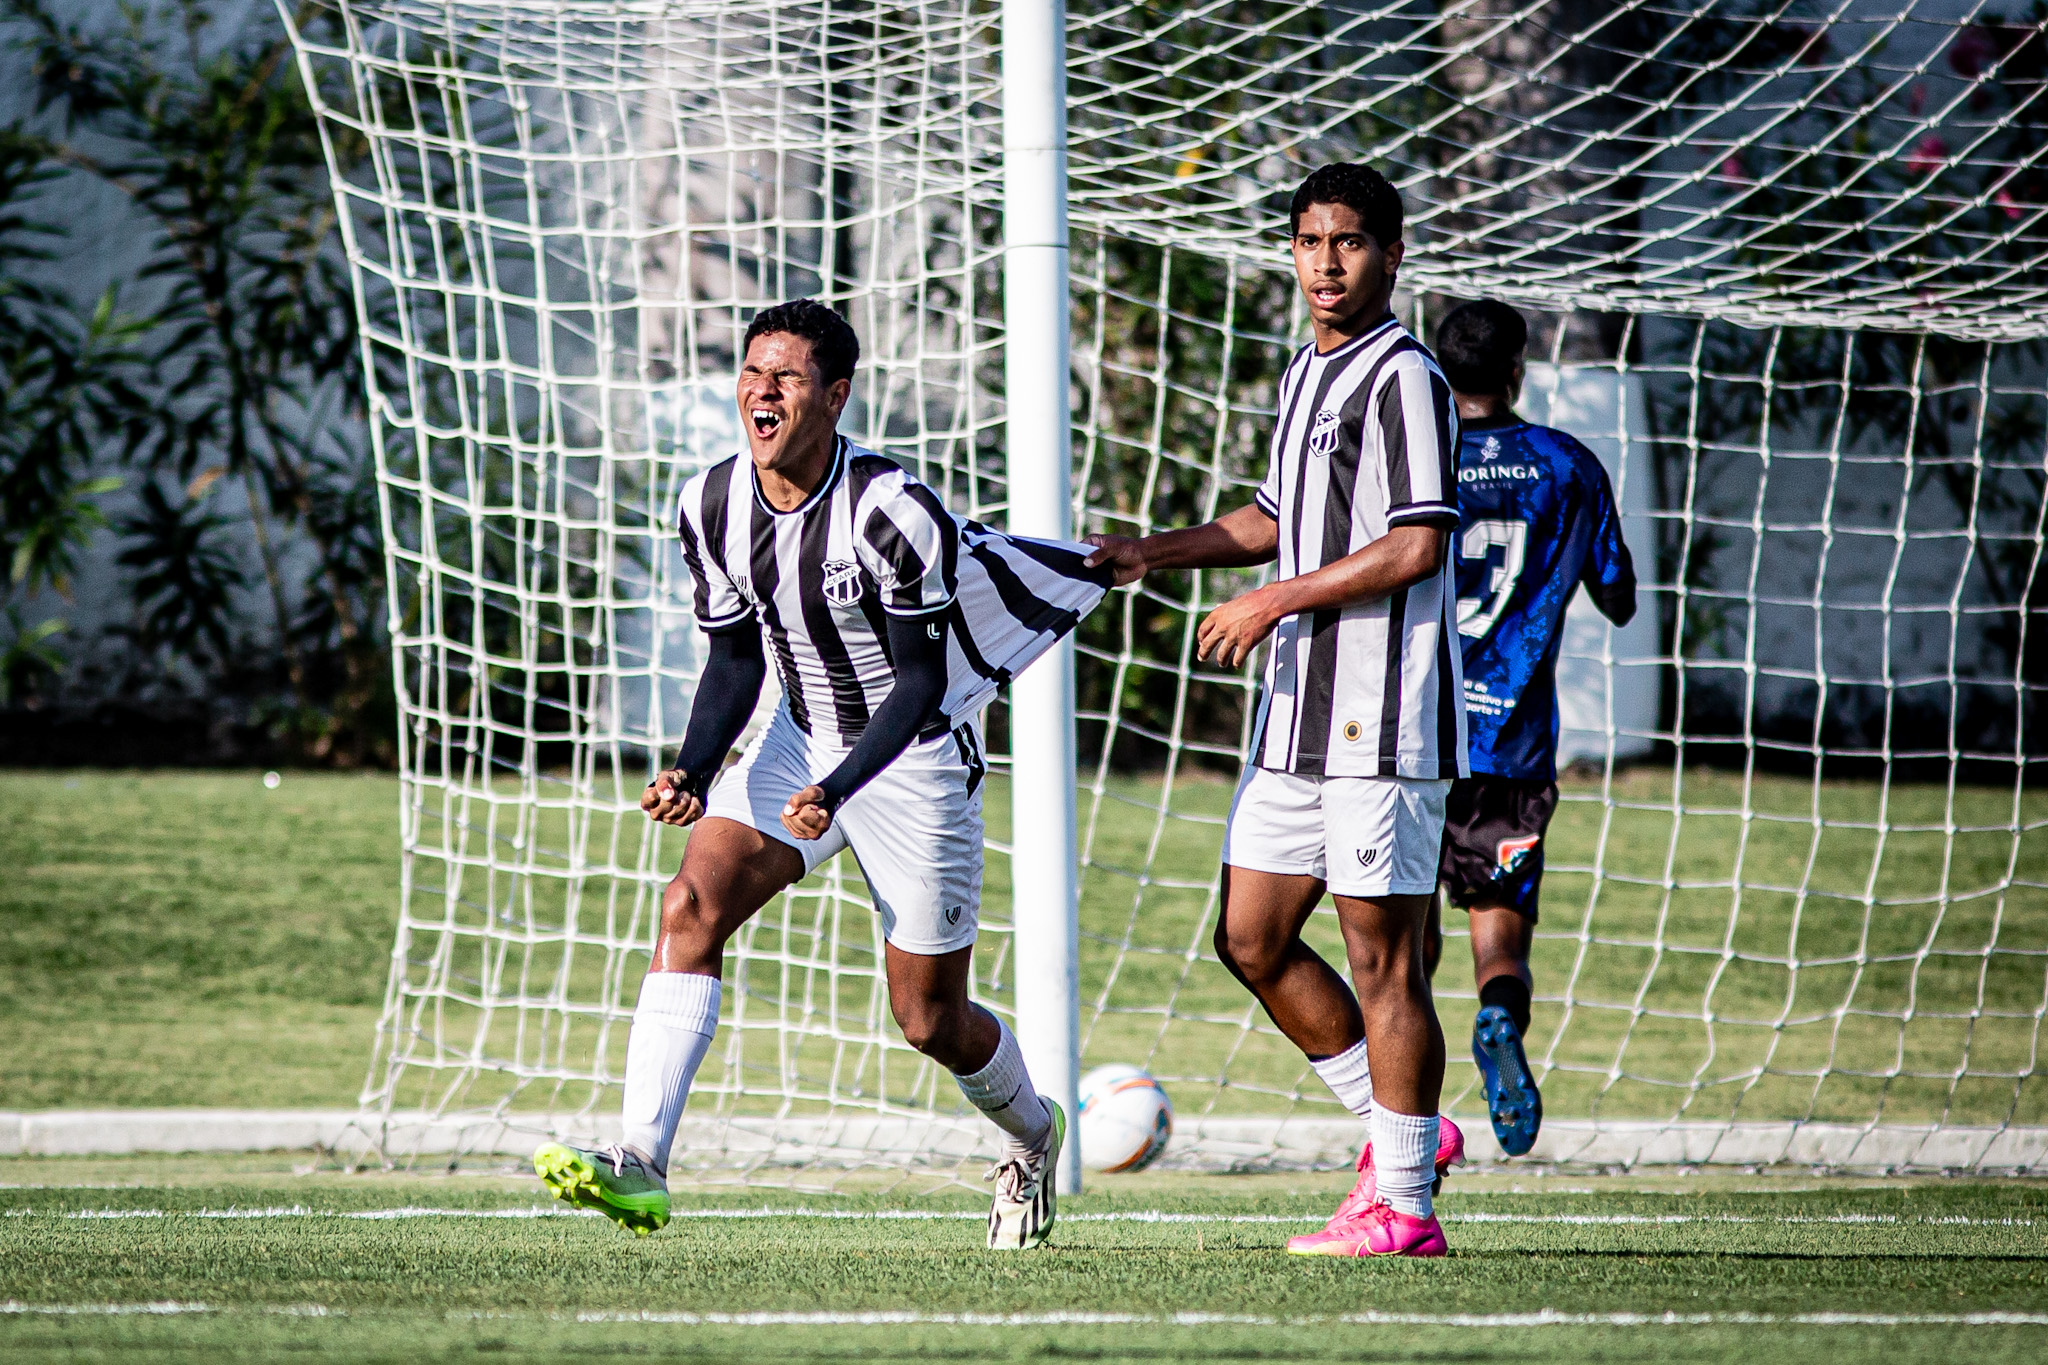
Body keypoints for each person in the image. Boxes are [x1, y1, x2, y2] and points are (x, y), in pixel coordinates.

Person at [534, 298, 1110, 1250]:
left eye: (788, 376)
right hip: (802, 737)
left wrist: (841, 789)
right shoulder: (709, 502)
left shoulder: (893, 511)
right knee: (691, 903)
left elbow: (922, 678)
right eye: (753, 372)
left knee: (928, 1019)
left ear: (835, 396)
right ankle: (641, 1162)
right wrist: (691, 765)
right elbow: (732, 661)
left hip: (910, 758)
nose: (762, 391)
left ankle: (1032, 1136)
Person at [1085, 163, 1467, 1259]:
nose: (1324, 263)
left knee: (1381, 958)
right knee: (1249, 938)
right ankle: (1401, 1134)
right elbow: (1273, 515)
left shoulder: (1404, 378)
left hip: (1381, 718)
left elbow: (1415, 541)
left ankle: (1402, 1208)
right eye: (1307, 242)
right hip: (1297, 718)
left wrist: (1276, 598)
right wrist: (1148, 554)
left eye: (1346, 242)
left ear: (1391, 254)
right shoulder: (1306, 371)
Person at [1424, 299, 1638, 1157]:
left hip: (1413, 735)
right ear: (1519, 368)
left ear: (1438, 370)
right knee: (1498, 923)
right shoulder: (1568, 463)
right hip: (1512, 740)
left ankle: (1408, 1125)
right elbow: (1620, 598)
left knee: (1400, 948)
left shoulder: (1417, 460)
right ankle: (1496, 1017)